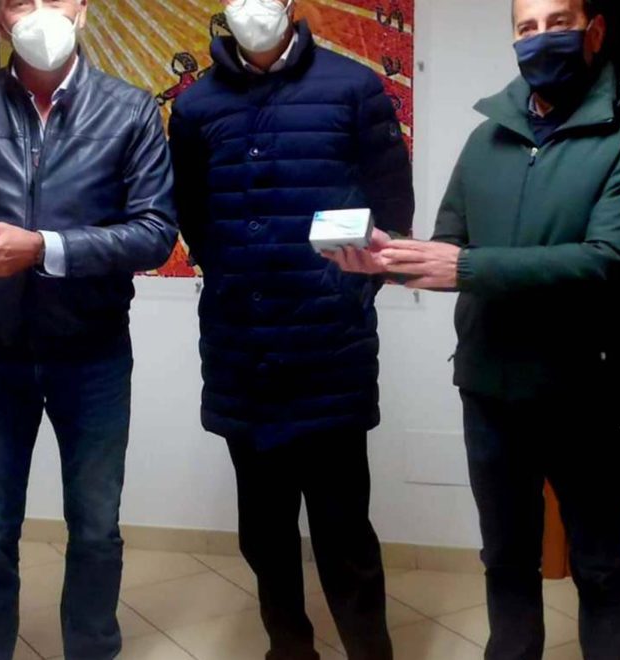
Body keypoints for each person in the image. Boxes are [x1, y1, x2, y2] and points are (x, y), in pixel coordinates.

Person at [332, 1, 620, 658]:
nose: (542, 39)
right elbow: (448, 247)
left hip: (581, 388)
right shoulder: (488, 137)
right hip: (489, 387)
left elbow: (607, 260)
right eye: (526, 28)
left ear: (594, 31)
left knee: (598, 564)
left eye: (559, 23)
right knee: (506, 559)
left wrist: (466, 266)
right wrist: (387, 259)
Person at [0, 0, 177, 657]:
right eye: (21, 1)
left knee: (95, 527)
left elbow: (154, 232)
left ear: (81, 9)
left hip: (93, 353)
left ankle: (91, 648)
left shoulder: (130, 109)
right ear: (1, 18)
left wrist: (44, 248)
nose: (40, 13)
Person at [169, 1, 413, 658]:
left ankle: (369, 651)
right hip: (241, 352)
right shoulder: (195, 107)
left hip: (330, 350)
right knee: (264, 533)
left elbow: (393, 208)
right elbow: (194, 216)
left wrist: (345, 290)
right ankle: (289, 648)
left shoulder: (353, 87)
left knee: (344, 533)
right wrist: (239, 278)